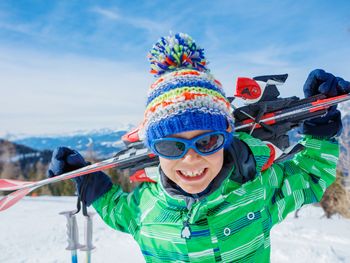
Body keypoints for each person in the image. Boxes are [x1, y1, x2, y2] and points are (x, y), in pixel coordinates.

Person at [47, 33, 350, 262]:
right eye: (171, 145)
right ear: (154, 150)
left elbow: (310, 177)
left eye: (206, 141)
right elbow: (116, 210)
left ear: (226, 139)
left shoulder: (258, 190)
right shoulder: (144, 207)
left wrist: (320, 129)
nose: (191, 158)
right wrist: (93, 183)